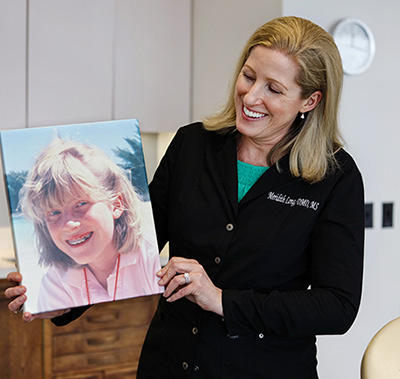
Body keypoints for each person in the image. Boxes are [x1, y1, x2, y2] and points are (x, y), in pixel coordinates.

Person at [6, 16, 364, 378]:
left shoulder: (336, 179)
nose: (251, 96)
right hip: (169, 362)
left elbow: (336, 306)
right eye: (249, 76)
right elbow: (132, 245)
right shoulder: (192, 145)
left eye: (273, 88)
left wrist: (222, 301)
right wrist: (59, 302)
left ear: (310, 100)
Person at [10, 138, 163, 314]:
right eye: (54, 213)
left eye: (81, 204)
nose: (69, 225)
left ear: (116, 205)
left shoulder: (151, 258)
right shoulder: (56, 282)